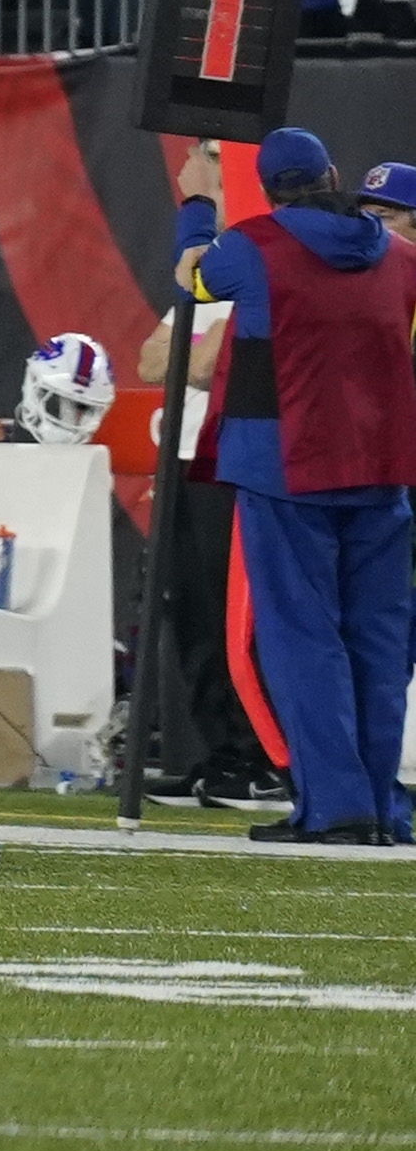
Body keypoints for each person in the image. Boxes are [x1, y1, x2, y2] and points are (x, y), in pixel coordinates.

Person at [171, 127, 415, 845]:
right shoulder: (401, 259)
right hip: (381, 468)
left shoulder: (251, 247)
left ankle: (335, 805)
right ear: (333, 172)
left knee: (302, 639)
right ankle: (381, 807)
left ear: (270, 188)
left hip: (284, 466)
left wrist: (195, 202)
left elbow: (189, 277)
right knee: (377, 639)